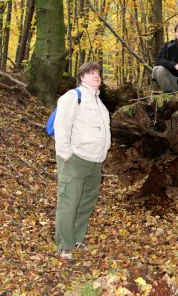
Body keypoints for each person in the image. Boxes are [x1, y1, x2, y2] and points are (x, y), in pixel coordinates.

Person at [54, 62, 111, 260]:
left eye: (98, 73)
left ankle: (78, 238)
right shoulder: (73, 97)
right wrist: (66, 154)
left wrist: (103, 155)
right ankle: (65, 245)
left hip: (95, 162)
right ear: (81, 77)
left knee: (86, 202)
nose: (96, 76)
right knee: (69, 202)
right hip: (75, 159)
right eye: (91, 73)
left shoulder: (100, 104)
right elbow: (61, 126)